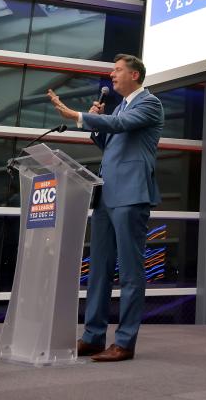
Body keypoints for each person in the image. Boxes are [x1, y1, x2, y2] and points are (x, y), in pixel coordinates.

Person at [47, 53, 164, 363]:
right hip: (106, 196)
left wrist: (79, 117)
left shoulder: (149, 104)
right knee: (98, 270)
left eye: (117, 70)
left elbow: (123, 124)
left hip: (131, 195)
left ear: (135, 75)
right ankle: (94, 336)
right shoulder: (120, 108)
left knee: (129, 272)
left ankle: (124, 342)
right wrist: (96, 127)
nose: (111, 75)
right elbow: (111, 144)